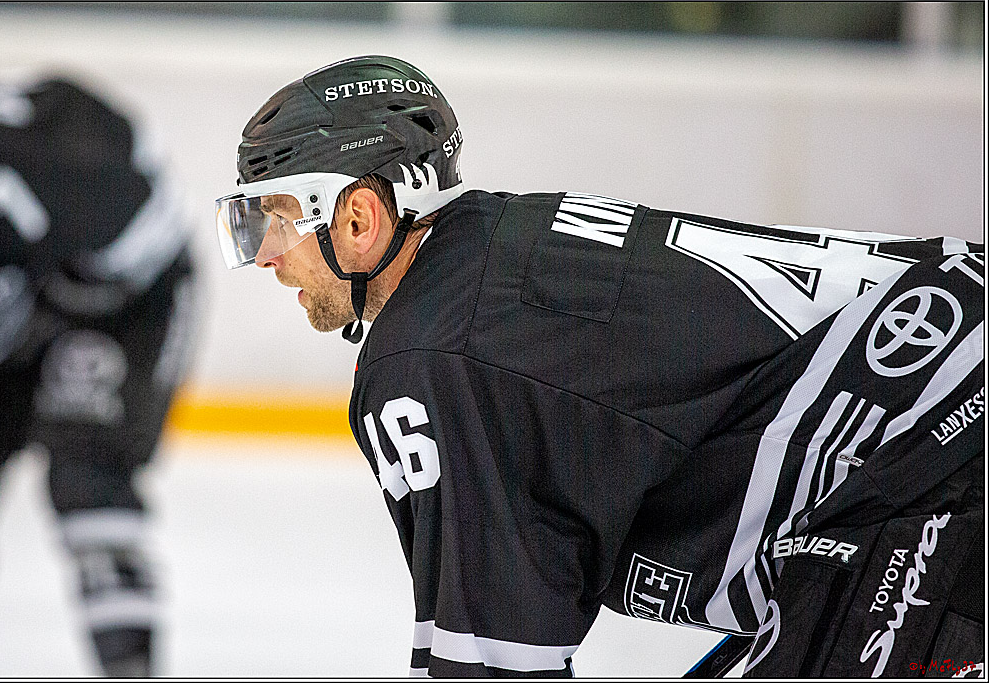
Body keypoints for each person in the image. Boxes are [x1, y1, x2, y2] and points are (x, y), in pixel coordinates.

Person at [215, 55, 983, 677]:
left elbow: (490, 662)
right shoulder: (490, 258)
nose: (266, 258)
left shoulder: (431, 355)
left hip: (938, 450)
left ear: (357, 217)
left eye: (274, 222)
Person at [0, 76, 197, 677]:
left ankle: (129, 668)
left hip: (129, 299)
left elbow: (151, 234)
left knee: (88, 478)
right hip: (41, 273)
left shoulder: (65, 176)